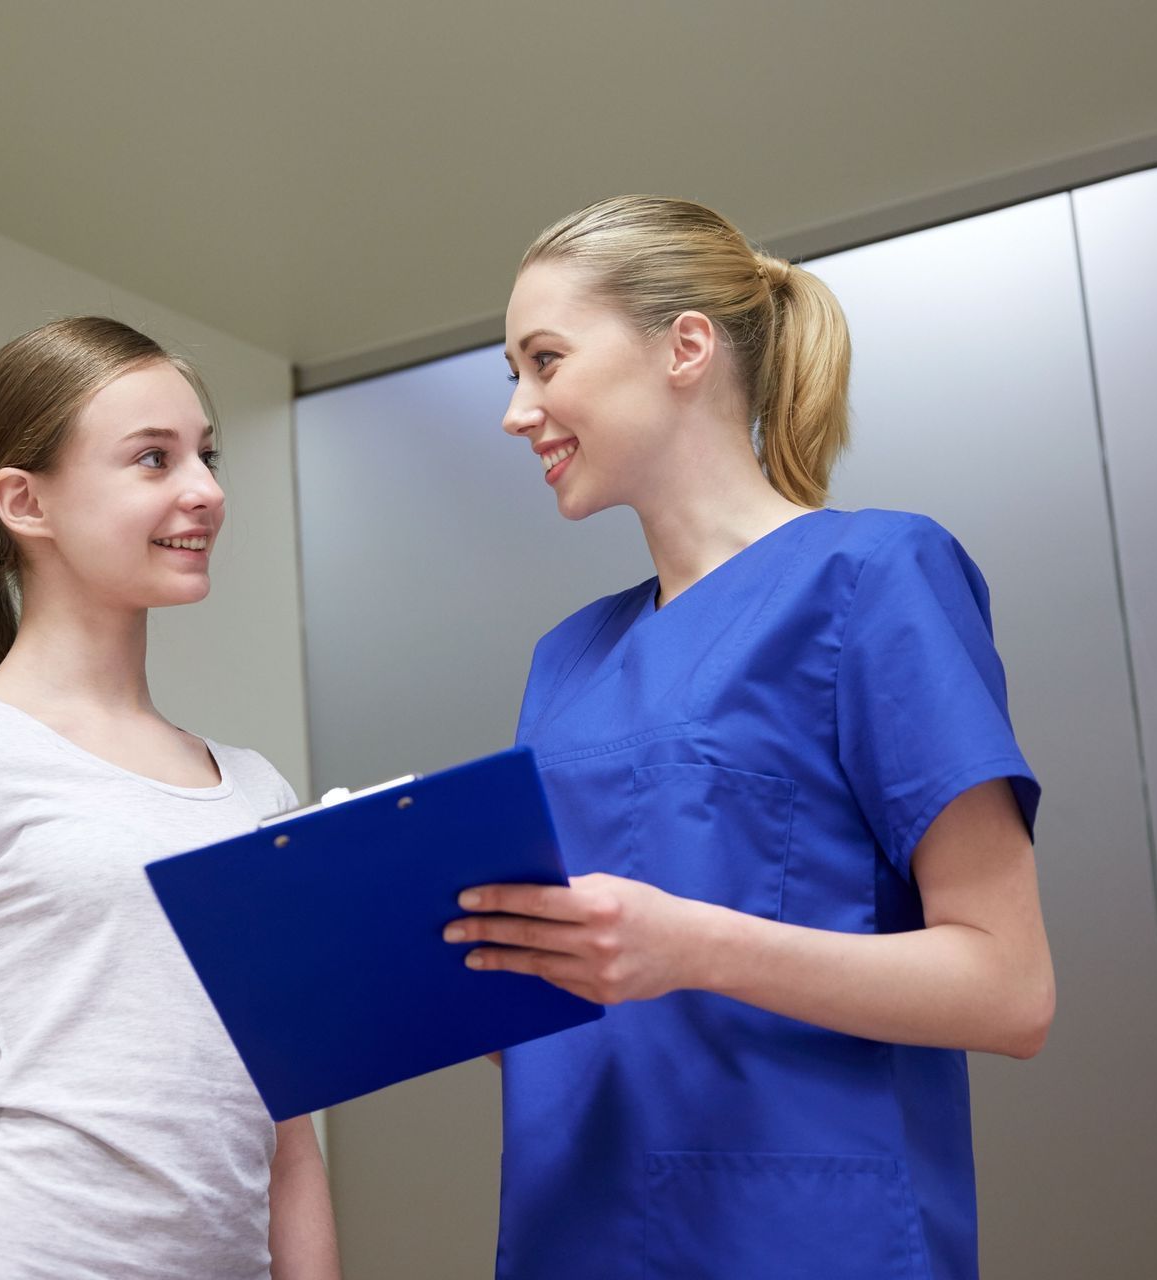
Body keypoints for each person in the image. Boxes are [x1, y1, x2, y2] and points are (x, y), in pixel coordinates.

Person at [443, 197, 1054, 1280]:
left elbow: (1009, 990)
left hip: (803, 1231)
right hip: (574, 1225)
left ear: (685, 347)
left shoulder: (872, 576)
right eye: (511, 375)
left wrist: (692, 945)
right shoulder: (565, 660)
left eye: (544, 361)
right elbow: (573, 994)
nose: (516, 411)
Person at [0, 317, 339, 1280]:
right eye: (153, 458)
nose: (207, 492)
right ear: (25, 500)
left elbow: (292, 1149)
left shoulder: (257, 792)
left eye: (206, 456)